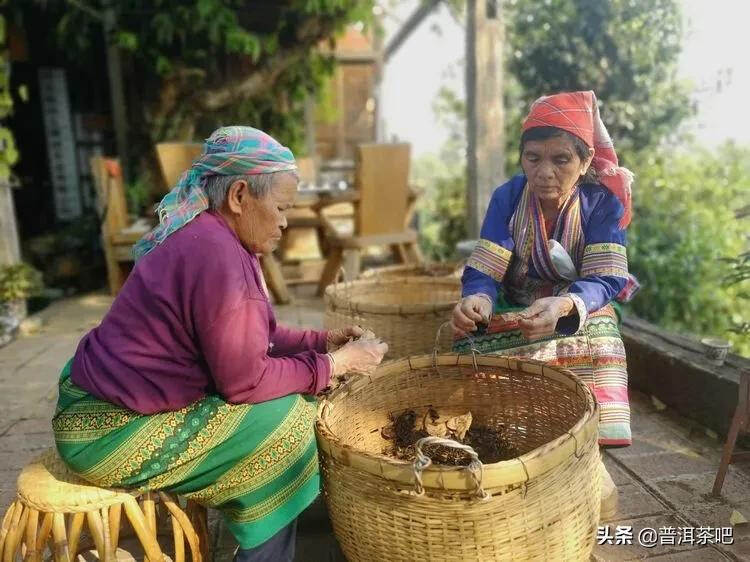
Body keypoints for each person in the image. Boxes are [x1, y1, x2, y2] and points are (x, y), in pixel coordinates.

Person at [52, 126, 387, 561]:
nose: (286, 221)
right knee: (287, 426)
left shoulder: (216, 236)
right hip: (107, 429)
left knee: (293, 402)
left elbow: (256, 339)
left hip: (96, 402)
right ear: (239, 196)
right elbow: (244, 382)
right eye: (281, 207)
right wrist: (336, 365)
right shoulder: (218, 256)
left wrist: (323, 342)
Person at [451, 91, 639, 517]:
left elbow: (605, 278)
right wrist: (476, 298)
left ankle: (586, 454)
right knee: (465, 343)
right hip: (516, 299)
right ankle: (510, 449)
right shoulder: (508, 197)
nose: (544, 172)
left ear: (586, 162)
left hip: (580, 305)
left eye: (561, 160)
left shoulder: (601, 202)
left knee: (603, 337)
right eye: (533, 158)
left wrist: (563, 307)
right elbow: (486, 266)